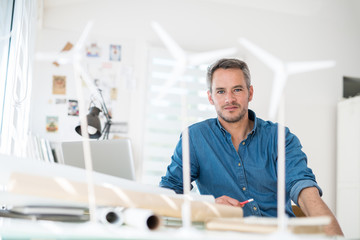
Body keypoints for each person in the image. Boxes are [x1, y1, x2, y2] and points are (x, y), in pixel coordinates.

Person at [159, 58, 343, 236]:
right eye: (221, 91)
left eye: (237, 89)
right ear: (210, 97)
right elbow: (169, 192)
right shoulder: (195, 138)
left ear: (250, 93)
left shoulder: (279, 137)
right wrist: (207, 204)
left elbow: (303, 188)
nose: (229, 99)